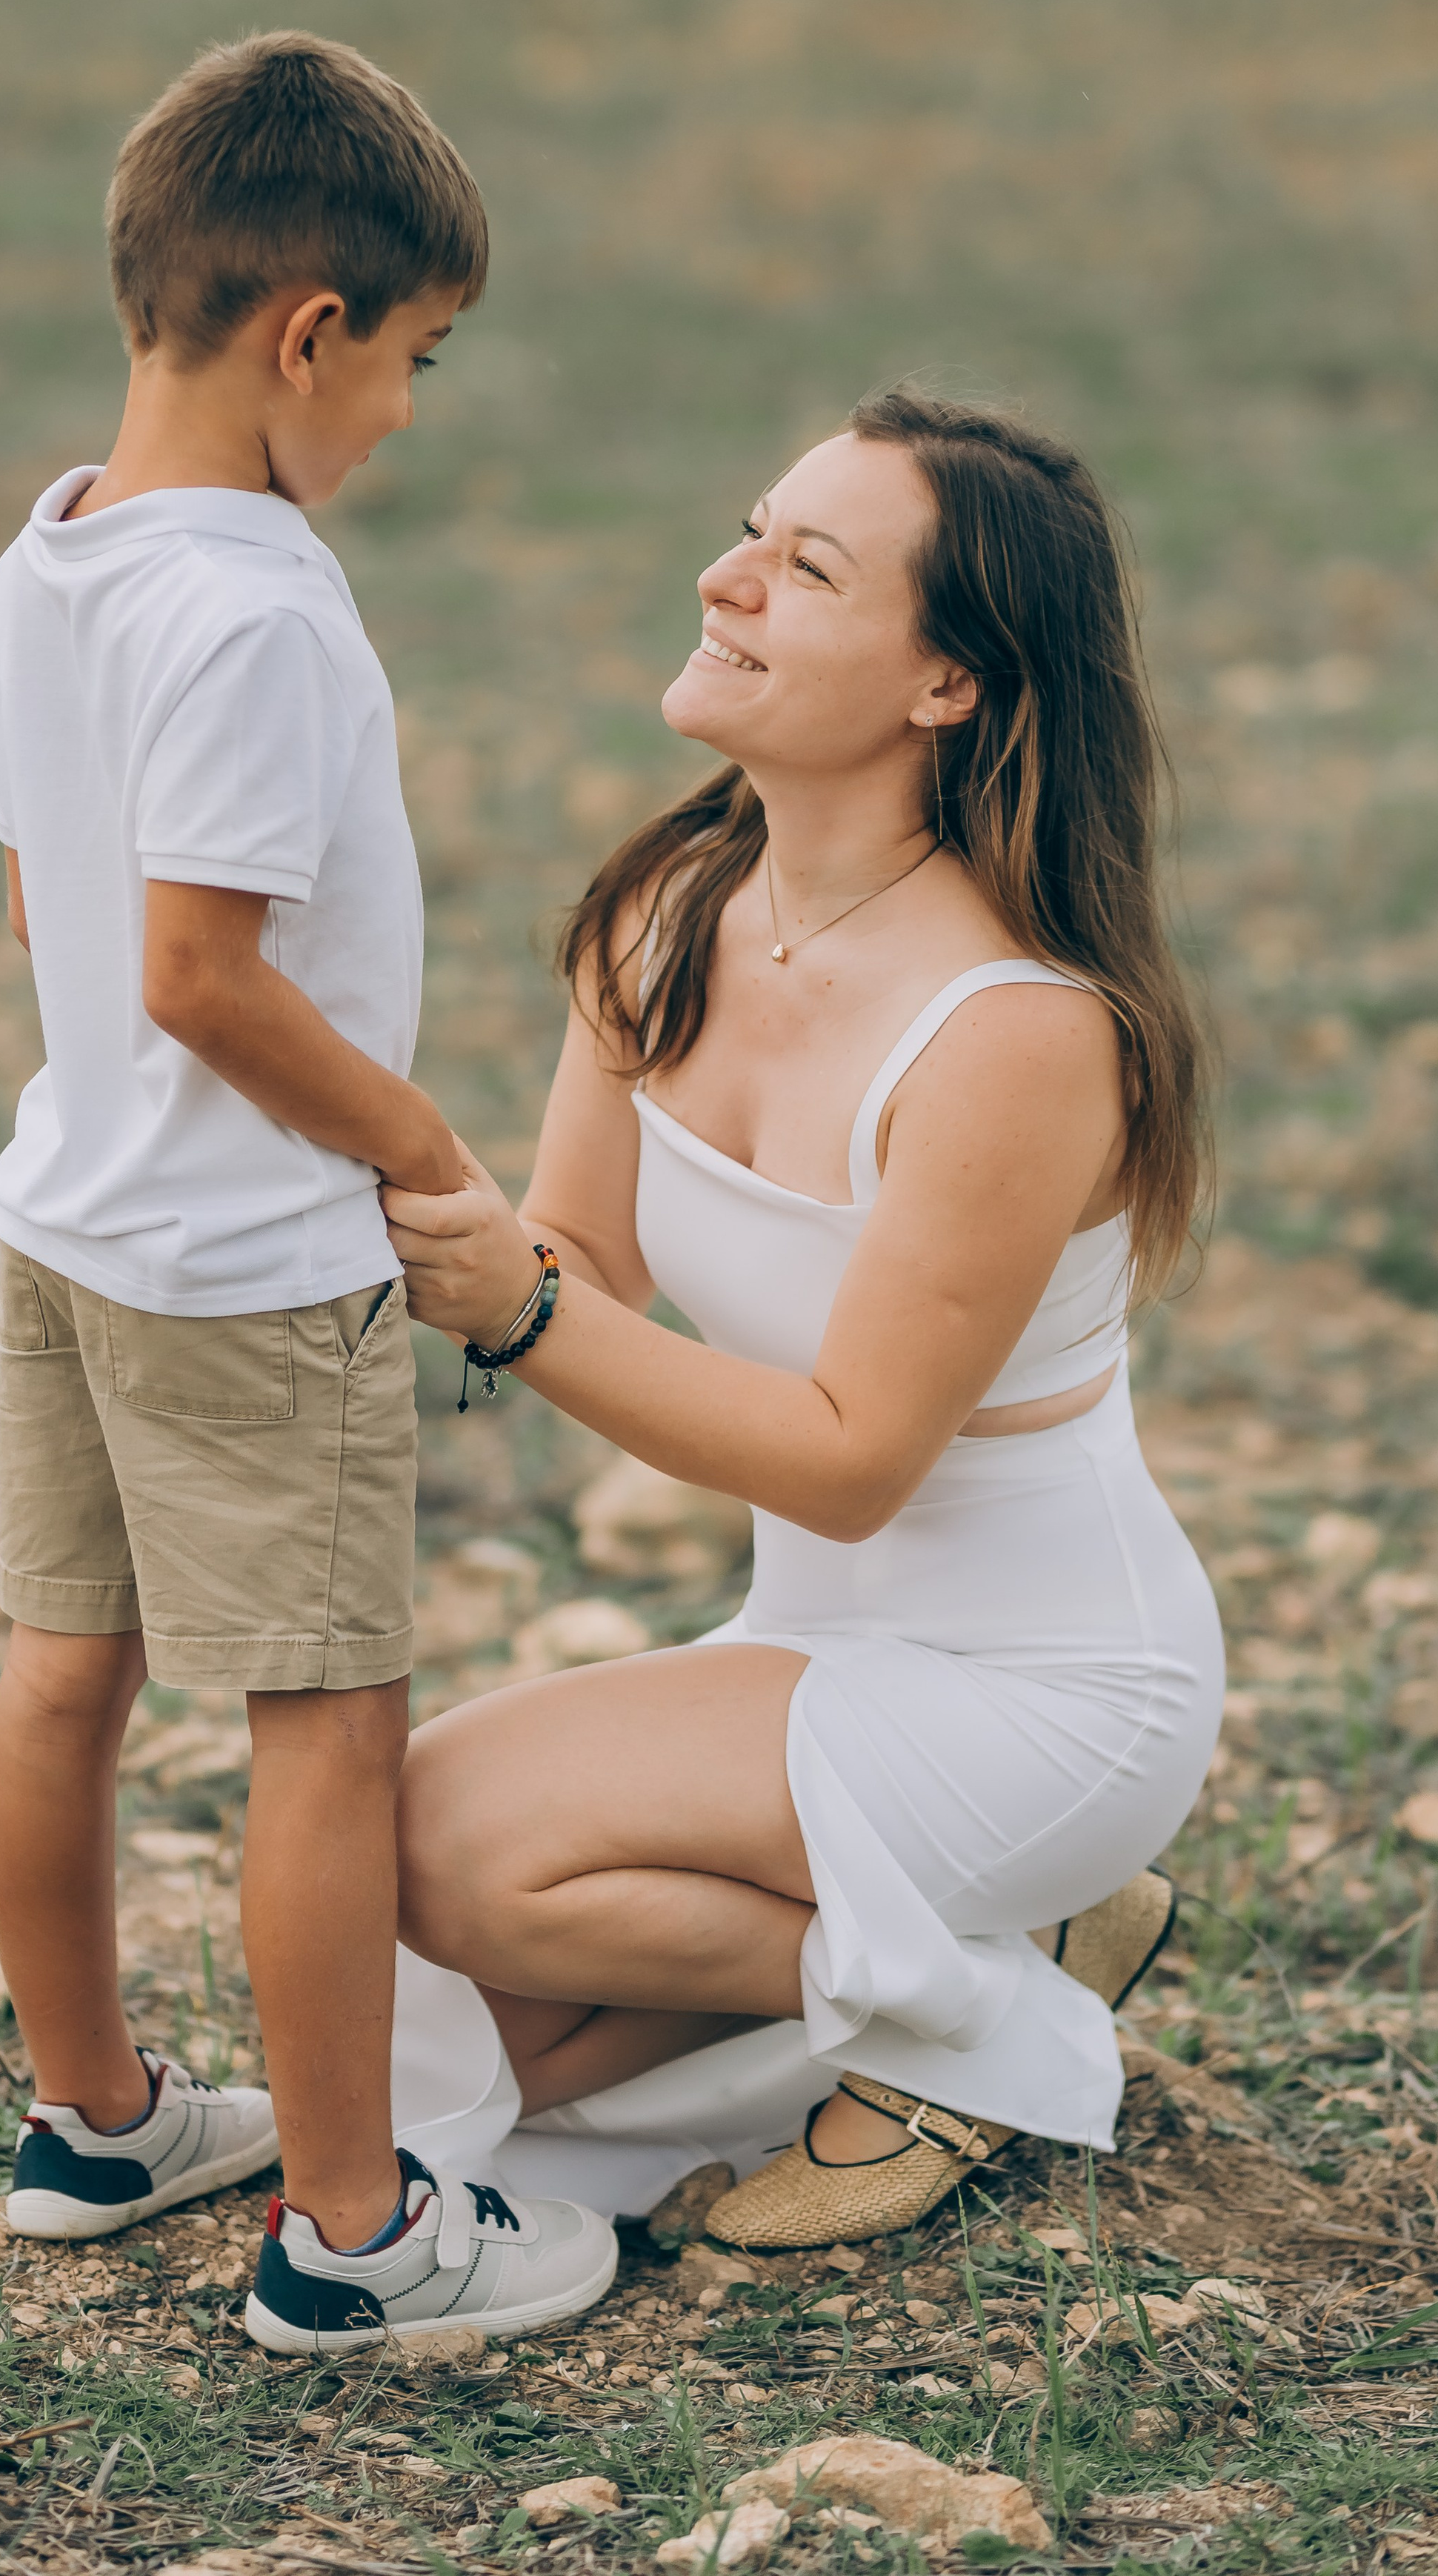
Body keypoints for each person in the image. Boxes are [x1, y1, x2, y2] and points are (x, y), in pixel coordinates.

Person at [380, 387, 1225, 2247]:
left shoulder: (1014, 1032)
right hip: (815, 1652)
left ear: (946, 682)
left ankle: (978, 2017)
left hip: (1043, 1689)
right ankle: (983, 1936)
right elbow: (577, 1262)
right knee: (456, 2056)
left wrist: (515, 1312)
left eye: (804, 564)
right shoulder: (671, 906)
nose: (723, 576)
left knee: (433, 1839)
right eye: (750, 526)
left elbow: (849, 1463)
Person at [0, 30, 617, 2350]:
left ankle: (98, 2120)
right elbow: (194, 974)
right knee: (327, 1720)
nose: (408, 420)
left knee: (68, 1674)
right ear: (307, 336)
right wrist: (428, 1155)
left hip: (76, 1223)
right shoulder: (255, 601)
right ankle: (357, 2233)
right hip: (251, 1269)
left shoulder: (54, 554)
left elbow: (59, 928)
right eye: (417, 362)